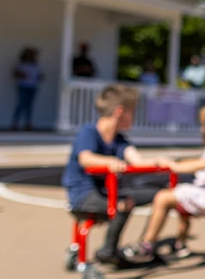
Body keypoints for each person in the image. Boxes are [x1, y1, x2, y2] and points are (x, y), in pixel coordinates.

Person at [61, 85, 169, 264]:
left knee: (160, 194)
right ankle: (108, 251)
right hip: (83, 194)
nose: (134, 118)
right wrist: (109, 162)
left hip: (105, 192)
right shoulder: (89, 132)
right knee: (123, 204)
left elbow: (138, 160)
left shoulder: (120, 140)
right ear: (120, 112)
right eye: (132, 112)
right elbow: (86, 158)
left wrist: (159, 162)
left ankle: (146, 244)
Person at [121, 102, 205, 262]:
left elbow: (204, 163)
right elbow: (200, 160)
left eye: (204, 125)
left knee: (163, 198)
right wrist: (177, 162)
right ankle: (180, 243)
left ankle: (147, 243)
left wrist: (175, 166)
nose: (202, 129)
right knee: (180, 199)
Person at [11, 47, 43, 130]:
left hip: (32, 87)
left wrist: (40, 77)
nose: (32, 55)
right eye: (30, 53)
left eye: (33, 54)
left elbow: (40, 75)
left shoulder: (35, 64)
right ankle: (15, 124)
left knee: (29, 106)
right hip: (23, 86)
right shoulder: (21, 64)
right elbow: (14, 74)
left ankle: (28, 124)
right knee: (21, 105)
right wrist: (21, 74)